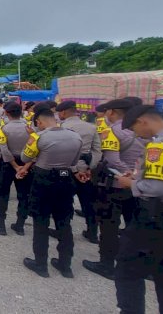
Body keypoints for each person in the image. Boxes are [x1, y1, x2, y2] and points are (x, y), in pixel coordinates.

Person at [113, 105, 163, 314]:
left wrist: (130, 184)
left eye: (134, 129)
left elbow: (156, 188)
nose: (135, 135)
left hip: (159, 213)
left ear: (143, 121)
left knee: (127, 268)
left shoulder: (159, 146)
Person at [83, 98, 145, 281]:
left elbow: (112, 161)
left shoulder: (113, 132)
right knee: (136, 225)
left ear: (112, 112)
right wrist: (136, 175)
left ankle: (106, 264)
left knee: (109, 226)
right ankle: (142, 266)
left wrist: (125, 175)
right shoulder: (144, 131)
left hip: (114, 186)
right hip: (137, 185)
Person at [19, 106, 84, 278]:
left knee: (41, 223)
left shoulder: (38, 137)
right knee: (64, 222)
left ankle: (40, 264)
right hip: (66, 179)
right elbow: (75, 161)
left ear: (39, 122)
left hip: (43, 180)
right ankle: (65, 265)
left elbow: (25, 158)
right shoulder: (75, 137)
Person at [57, 100, 102, 244]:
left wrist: (75, 170)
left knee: (64, 201)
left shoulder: (62, 127)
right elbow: (97, 150)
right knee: (88, 202)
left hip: (67, 171)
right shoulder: (91, 127)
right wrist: (89, 168)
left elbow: (62, 152)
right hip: (86, 171)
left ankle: (63, 231)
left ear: (63, 112)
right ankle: (92, 232)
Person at [0, 102, 32, 235]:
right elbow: (35, 149)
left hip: (9, 164)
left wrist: (14, 166)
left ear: (6, 113)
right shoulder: (29, 129)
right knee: (24, 195)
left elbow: (4, 150)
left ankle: (1, 225)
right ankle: (20, 225)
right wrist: (23, 166)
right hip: (26, 164)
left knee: (2, 193)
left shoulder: (4, 129)